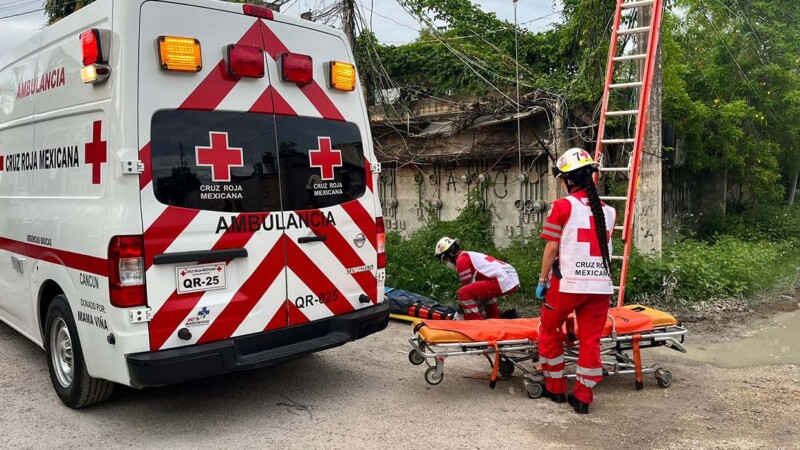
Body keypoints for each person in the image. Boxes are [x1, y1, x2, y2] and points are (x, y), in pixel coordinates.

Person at [535, 148, 617, 414]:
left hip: (567, 285)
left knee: (549, 330)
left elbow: (551, 249)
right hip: (600, 287)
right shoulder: (610, 211)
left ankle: (556, 388)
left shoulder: (562, 206)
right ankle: (583, 397)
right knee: (590, 340)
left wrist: (542, 278)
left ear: (568, 180)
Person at [434, 237, 520, 320]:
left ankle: (475, 322)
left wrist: (462, 310)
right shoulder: (470, 255)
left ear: (450, 254)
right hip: (510, 277)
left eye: (445, 259)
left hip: (502, 280)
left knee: (463, 293)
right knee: (483, 293)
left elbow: (466, 288)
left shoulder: (461, 260)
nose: (447, 262)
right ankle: (494, 318)